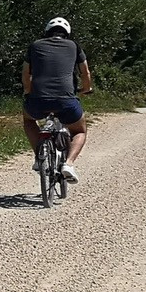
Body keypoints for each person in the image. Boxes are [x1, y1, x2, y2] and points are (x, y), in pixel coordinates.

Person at [22, 16, 92, 182]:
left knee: (29, 121)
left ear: (47, 32)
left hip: (38, 100)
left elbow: (26, 73)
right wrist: (87, 88)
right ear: (67, 33)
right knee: (80, 130)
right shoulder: (74, 46)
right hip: (66, 101)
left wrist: (28, 91)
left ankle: (40, 157)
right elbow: (85, 72)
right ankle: (68, 164)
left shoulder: (35, 45)